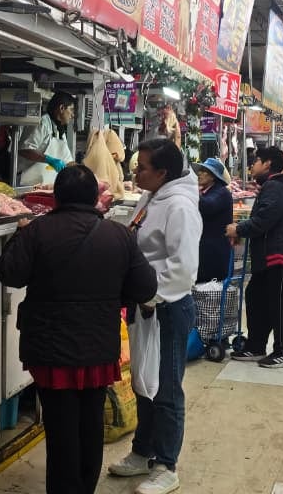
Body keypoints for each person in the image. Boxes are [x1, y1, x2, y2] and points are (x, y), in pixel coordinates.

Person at [0, 165, 156, 494]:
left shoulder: (36, 232)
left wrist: (17, 236)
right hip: (98, 348)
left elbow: (10, 274)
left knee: (60, 431)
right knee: (89, 426)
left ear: (57, 196)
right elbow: (145, 286)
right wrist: (113, 299)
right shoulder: (119, 235)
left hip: (49, 349)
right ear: (95, 198)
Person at [108, 138, 200, 494]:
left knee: (167, 387)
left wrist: (151, 294)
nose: (135, 172)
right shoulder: (151, 198)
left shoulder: (179, 206)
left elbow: (184, 268)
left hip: (167, 306)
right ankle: (142, 451)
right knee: (144, 381)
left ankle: (166, 464)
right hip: (146, 304)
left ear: (162, 172)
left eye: (142, 167)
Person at [225, 147, 283, 368]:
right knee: (256, 297)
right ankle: (256, 346)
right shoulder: (273, 186)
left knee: (278, 304)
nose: (252, 165)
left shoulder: (275, 187)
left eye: (256, 161)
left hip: (279, 256)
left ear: (267, 164)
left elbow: (265, 219)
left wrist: (238, 229)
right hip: (268, 255)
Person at [19, 92, 77, 186]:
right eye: (71, 110)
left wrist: (82, 171)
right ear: (62, 108)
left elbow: (67, 161)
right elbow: (25, 150)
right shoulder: (42, 123)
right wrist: (49, 160)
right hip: (25, 181)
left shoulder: (59, 131)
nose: (72, 115)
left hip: (42, 183)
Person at [193, 157, 234, 283]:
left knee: (208, 292)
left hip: (214, 254)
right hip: (204, 250)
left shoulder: (222, 193)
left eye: (204, 171)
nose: (199, 173)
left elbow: (207, 206)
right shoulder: (206, 192)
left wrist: (190, 190)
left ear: (213, 176)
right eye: (200, 170)